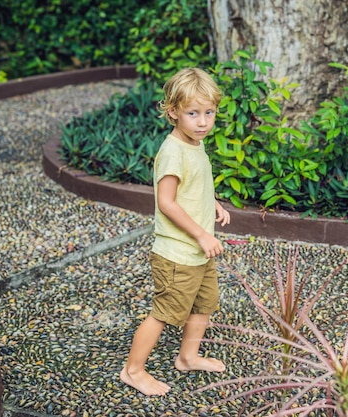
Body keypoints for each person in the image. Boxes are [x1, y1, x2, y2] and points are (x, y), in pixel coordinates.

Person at [120, 68, 231, 396]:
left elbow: (193, 186)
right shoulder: (172, 151)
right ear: (173, 113)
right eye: (193, 113)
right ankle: (133, 369)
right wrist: (201, 234)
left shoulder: (194, 144)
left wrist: (213, 203)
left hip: (198, 252)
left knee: (204, 305)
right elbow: (167, 202)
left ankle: (187, 356)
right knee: (164, 314)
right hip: (177, 254)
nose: (202, 122)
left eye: (208, 113)